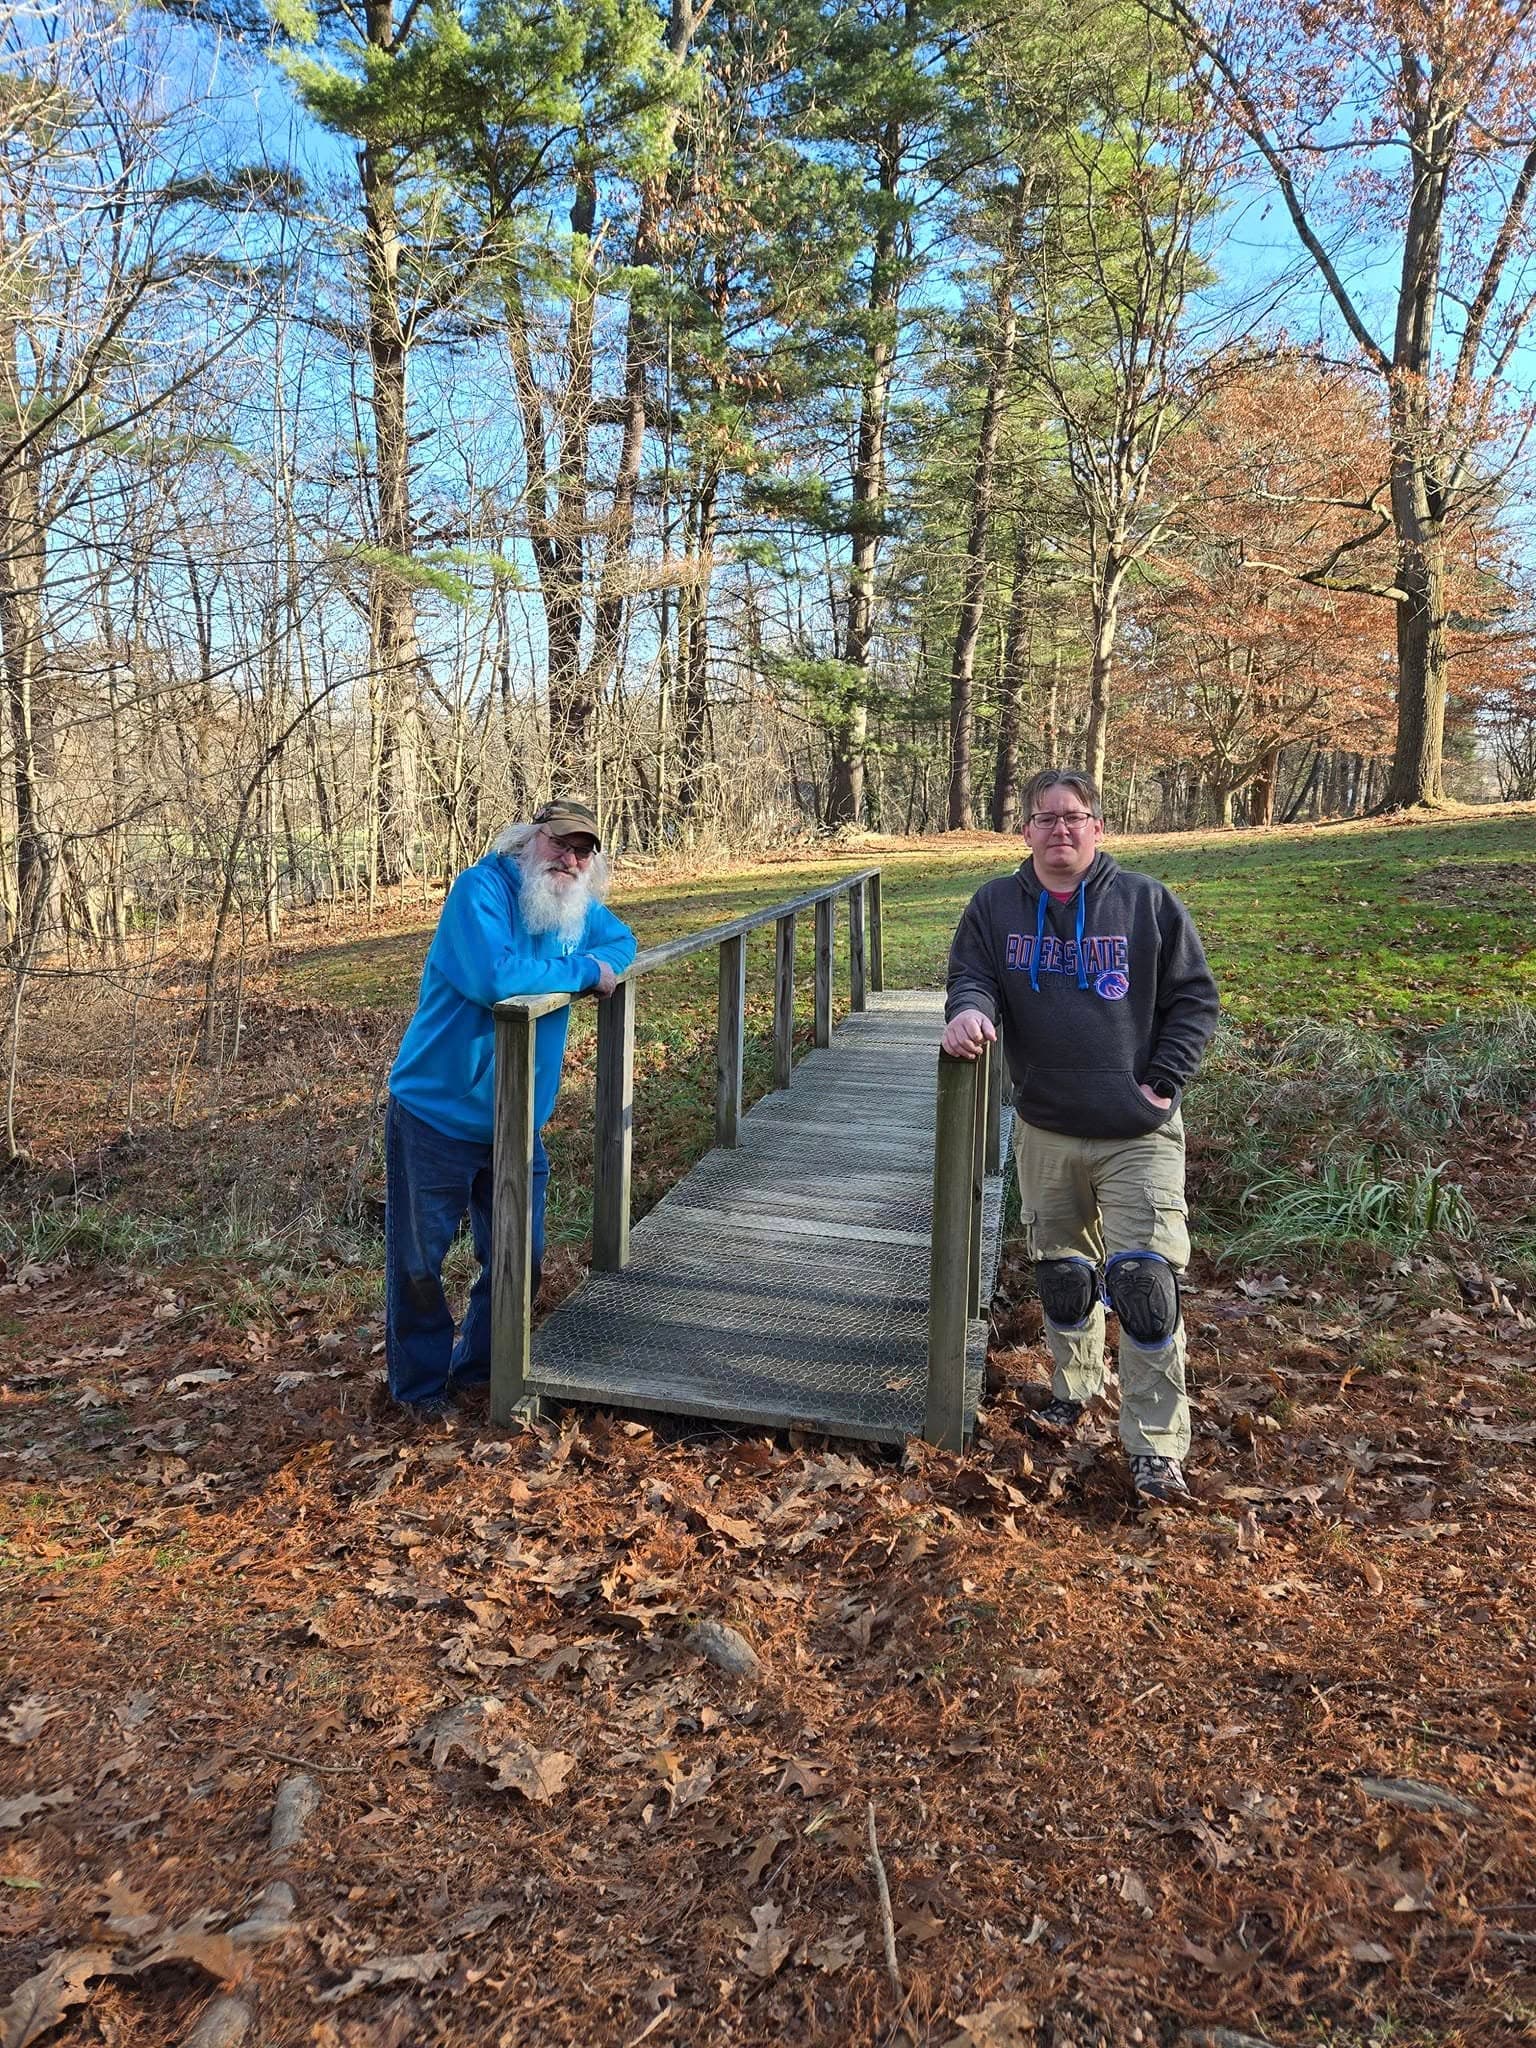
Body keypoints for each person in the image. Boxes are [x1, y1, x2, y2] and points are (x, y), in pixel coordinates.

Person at [941, 768, 1219, 1502]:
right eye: (1045, 818)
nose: (1060, 830)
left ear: (1098, 826)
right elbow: (972, 976)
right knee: (1063, 1274)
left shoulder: (1148, 904)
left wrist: (1162, 1079)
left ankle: (1156, 1444)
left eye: (1075, 817)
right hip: (1047, 1125)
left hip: (1138, 1129)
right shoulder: (995, 906)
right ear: (1025, 830)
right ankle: (1075, 1386)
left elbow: (1195, 999)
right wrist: (968, 1012)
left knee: (1144, 1283)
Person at [384, 799, 637, 1414]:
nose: (571, 860)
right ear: (529, 841)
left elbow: (623, 943)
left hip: (518, 1119)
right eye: (560, 845)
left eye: (584, 851)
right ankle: (417, 1391)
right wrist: (583, 971)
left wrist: (596, 964)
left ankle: (480, 1371)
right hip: (436, 1115)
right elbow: (496, 977)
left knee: (519, 1255)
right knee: (419, 1264)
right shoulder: (482, 891)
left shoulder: (570, 906)